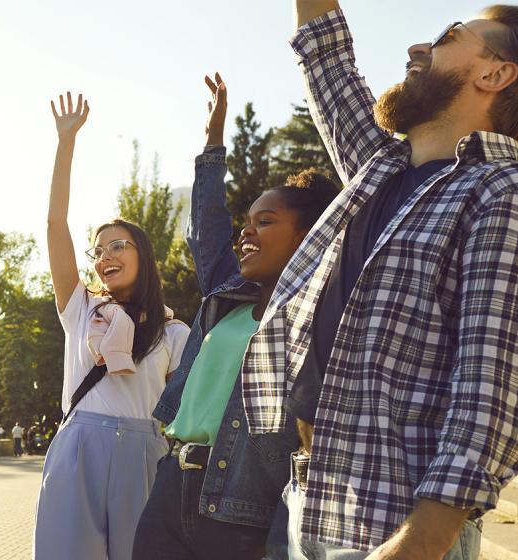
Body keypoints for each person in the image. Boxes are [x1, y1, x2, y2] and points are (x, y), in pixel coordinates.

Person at [241, 3, 518, 559]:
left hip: (395, 524)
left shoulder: (509, 194)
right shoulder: (379, 170)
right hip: (309, 498)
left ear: (494, 74)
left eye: (447, 37)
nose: (416, 50)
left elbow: (490, 387)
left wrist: (423, 539)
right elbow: (325, 56)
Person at [133, 74, 338, 560]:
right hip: (171, 483)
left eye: (264, 222)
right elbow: (206, 228)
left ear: (308, 236)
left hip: (240, 506)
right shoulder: (228, 295)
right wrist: (213, 141)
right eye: (245, 223)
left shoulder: (314, 320)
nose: (246, 234)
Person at [35, 92, 190, 560]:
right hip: (79, 445)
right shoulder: (82, 310)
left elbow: (180, 417)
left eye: (118, 245)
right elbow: (55, 222)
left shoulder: (174, 332)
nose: (105, 256)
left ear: (143, 254)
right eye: (99, 250)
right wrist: (66, 144)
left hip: (144, 455)